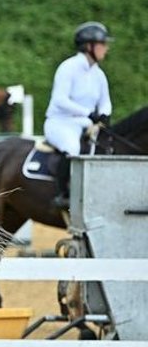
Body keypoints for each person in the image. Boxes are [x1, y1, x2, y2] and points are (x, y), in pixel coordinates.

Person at [44, 21, 114, 208]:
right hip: (60, 123)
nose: (106, 48)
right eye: (103, 44)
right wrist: (89, 113)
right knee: (72, 147)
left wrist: (104, 115)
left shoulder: (99, 74)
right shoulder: (68, 67)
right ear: (89, 46)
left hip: (86, 125)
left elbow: (105, 101)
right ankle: (63, 194)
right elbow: (60, 100)